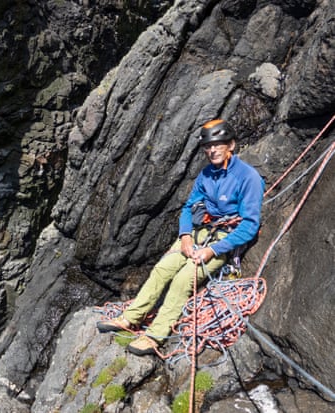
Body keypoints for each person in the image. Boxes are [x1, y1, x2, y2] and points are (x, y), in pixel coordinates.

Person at [96, 119, 265, 356]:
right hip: (199, 233)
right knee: (163, 269)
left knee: (184, 279)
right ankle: (130, 317)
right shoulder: (206, 175)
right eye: (208, 146)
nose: (212, 150)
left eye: (218, 144)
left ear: (231, 145)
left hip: (224, 238)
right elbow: (189, 207)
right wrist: (185, 237)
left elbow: (249, 225)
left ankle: (155, 335)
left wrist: (212, 251)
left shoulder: (248, 178)